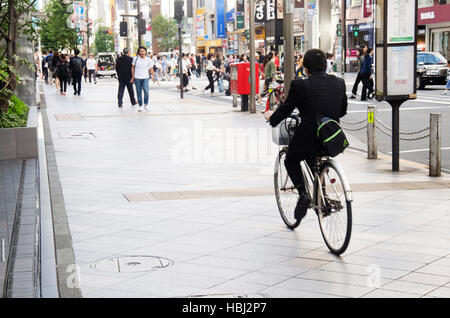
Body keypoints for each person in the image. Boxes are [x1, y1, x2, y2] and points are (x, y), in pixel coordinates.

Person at [264, 49, 347, 223]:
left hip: (309, 138)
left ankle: (303, 194)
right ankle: (320, 192)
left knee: (291, 159)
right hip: (332, 139)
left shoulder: (300, 85)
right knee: (314, 157)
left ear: (306, 69)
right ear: (325, 65)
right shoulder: (339, 83)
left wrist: (272, 117)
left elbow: (286, 109)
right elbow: (342, 111)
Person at [131, 46, 155, 112]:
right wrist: (133, 76)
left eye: (143, 51)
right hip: (137, 78)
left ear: (145, 52)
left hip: (145, 78)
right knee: (138, 92)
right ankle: (140, 105)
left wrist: (153, 77)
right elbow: (132, 67)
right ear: (138, 52)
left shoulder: (149, 60)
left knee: (146, 91)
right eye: (141, 51)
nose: (142, 52)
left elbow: (151, 69)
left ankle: (145, 104)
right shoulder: (135, 59)